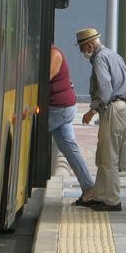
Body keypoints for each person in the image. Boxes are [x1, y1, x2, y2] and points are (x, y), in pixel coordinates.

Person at [76, 28, 126, 212]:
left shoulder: (99, 59)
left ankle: (112, 201)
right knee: (104, 154)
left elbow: (104, 89)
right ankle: (100, 196)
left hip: (113, 108)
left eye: (82, 49)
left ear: (89, 45)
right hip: (124, 108)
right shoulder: (114, 56)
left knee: (109, 157)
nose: (83, 53)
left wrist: (92, 110)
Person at [48, 44, 95, 204]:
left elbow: (43, 79)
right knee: (70, 149)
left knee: (26, 132)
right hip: (63, 108)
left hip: (59, 109)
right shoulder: (50, 53)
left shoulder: (54, 54)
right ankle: (89, 188)